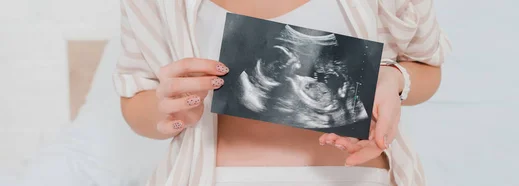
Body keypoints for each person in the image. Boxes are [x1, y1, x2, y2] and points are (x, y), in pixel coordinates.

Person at [115, 0, 451, 185]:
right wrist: (171, 110)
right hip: (212, 178)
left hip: (355, 177)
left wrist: (393, 80)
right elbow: (136, 102)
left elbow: (427, 66)